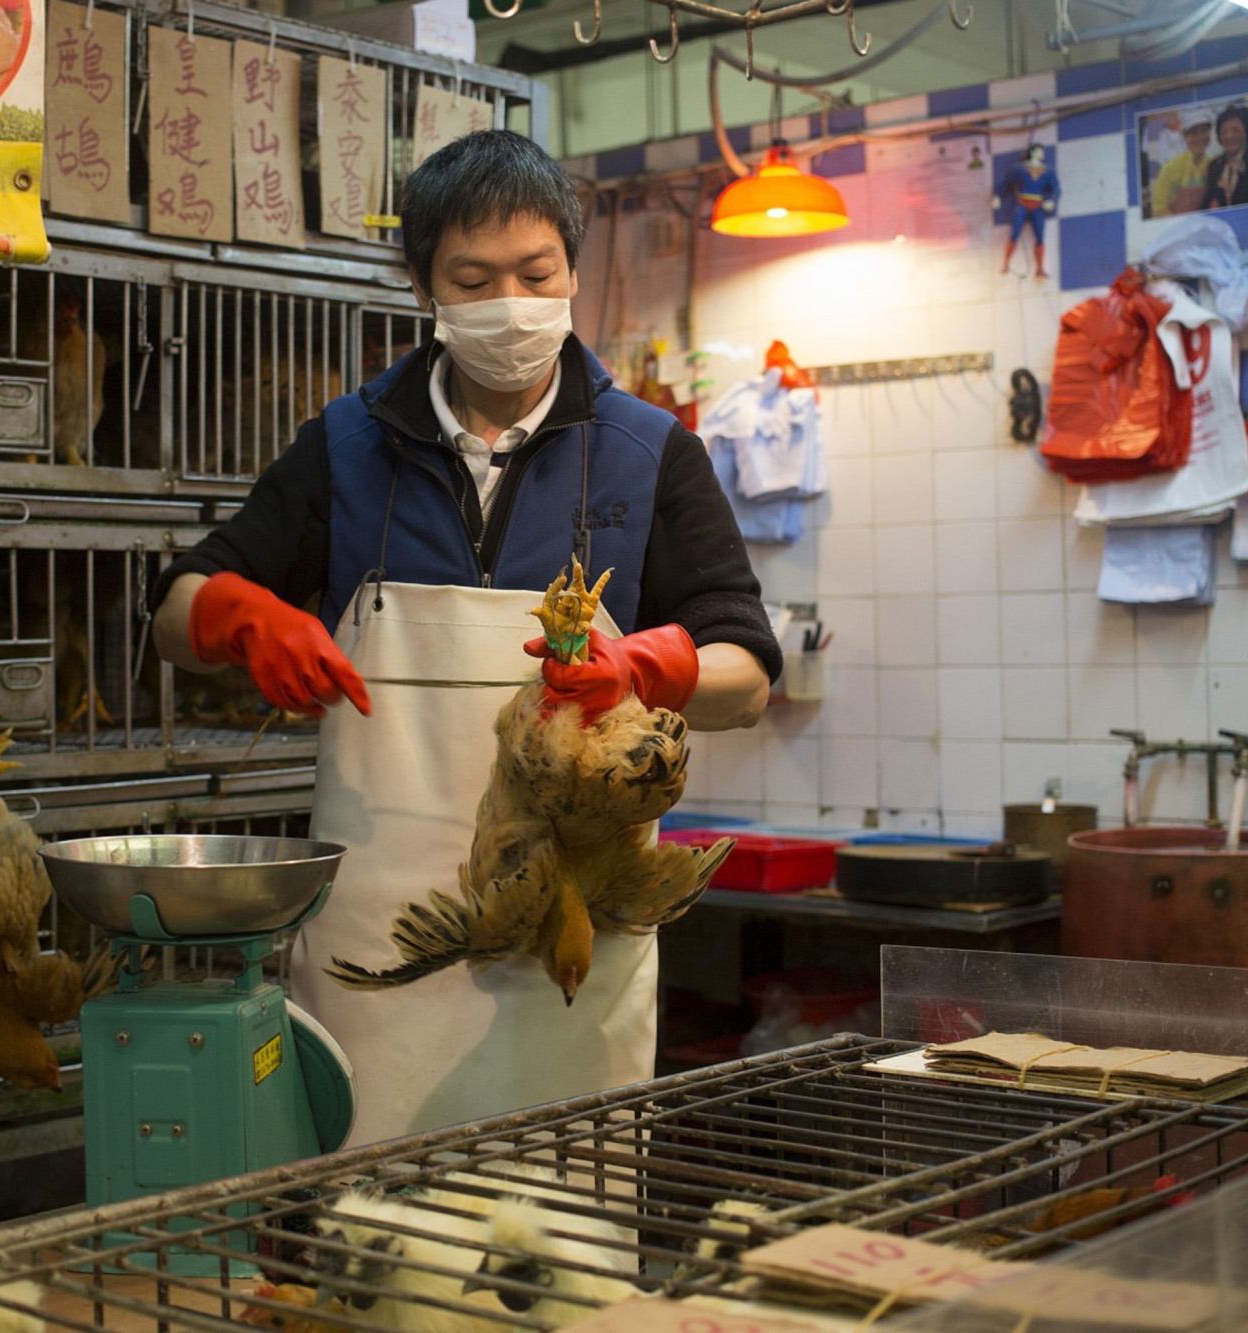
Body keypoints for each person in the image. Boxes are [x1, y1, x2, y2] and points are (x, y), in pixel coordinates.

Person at [149, 129, 780, 1145]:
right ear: (424, 289)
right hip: (379, 954)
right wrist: (236, 613)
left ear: (572, 271)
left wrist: (650, 664)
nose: (509, 303)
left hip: (572, 947)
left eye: (534, 273)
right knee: (371, 1255)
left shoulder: (649, 452)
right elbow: (174, 612)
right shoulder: (346, 447)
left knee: (561, 1254)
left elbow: (745, 672)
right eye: (473, 278)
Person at [995, 143, 1059, 279]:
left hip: (1037, 206)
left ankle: (1040, 268)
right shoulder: (1019, 168)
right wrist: (997, 196)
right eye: (1040, 151)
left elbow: (1056, 188)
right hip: (1022, 204)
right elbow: (1005, 182)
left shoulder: (1048, 170)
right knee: (1014, 234)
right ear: (1034, 152)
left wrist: (1052, 200)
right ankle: (1006, 264)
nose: (1042, 154)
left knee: (1040, 237)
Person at [1150, 115, 1214, 218]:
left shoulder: (1213, 165)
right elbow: (1159, 209)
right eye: (1194, 133)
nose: (1200, 137)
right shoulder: (1170, 168)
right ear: (1185, 137)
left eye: (1204, 131)